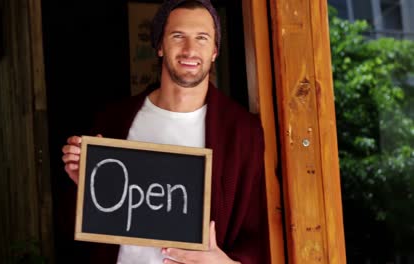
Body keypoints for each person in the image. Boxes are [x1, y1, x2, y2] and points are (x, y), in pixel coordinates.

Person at [61, 0, 269, 263]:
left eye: (202, 38)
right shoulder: (113, 121)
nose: (190, 50)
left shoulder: (242, 134)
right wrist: (87, 186)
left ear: (215, 50)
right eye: (178, 36)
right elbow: (83, 230)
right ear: (160, 46)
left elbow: (260, 235)